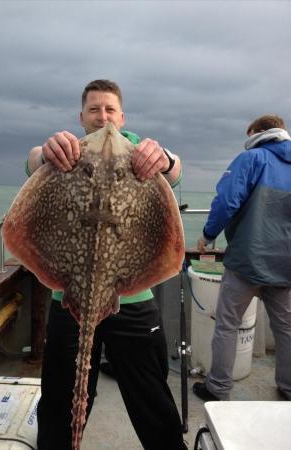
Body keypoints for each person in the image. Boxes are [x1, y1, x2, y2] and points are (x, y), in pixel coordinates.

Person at [26, 79, 187, 449]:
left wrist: (166, 158)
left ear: (122, 116)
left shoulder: (140, 154)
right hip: (71, 294)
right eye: (94, 109)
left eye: (109, 109)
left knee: (151, 397)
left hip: (131, 294)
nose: (102, 116)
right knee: (59, 402)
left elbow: (176, 171)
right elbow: (32, 160)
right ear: (81, 116)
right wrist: (44, 151)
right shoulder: (67, 153)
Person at [193, 114, 291, 402]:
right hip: (284, 264)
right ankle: (288, 388)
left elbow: (226, 201)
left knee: (227, 324)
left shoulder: (252, 159)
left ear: (257, 132)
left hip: (246, 261)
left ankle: (218, 388)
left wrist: (208, 234)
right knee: (285, 329)